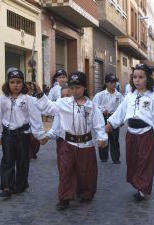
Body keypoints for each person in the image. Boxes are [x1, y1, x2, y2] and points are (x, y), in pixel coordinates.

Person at [34, 71, 108, 210]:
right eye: (72, 88)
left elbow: (99, 125)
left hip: (86, 144)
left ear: (84, 87)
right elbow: (48, 107)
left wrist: (102, 138)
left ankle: (86, 193)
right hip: (68, 143)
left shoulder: (92, 107)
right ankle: (65, 197)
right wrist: (39, 94)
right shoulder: (63, 103)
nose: (74, 91)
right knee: (66, 170)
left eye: (78, 87)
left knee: (86, 171)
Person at [106, 63, 154, 202]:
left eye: (141, 77)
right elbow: (120, 111)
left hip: (145, 133)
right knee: (132, 160)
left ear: (147, 79)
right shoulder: (129, 96)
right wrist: (111, 123)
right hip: (131, 133)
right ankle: (137, 183)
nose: (137, 80)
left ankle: (142, 188)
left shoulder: (153, 97)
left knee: (145, 161)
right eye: (135, 77)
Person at [0, 68, 46, 198]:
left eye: (18, 82)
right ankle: (7, 187)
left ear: (23, 84)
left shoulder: (28, 100)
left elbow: (34, 118)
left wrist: (39, 134)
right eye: (12, 82)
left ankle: (21, 185)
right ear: (7, 83)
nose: (15, 85)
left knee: (22, 160)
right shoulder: (1, 99)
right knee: (7, 160)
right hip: (7, 135)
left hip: (23, 134)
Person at [93, 74, 124, 164]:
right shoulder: (100, 95)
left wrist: (121, 120)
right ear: (106, 83)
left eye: (115, 82)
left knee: (114, 139)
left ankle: (116, 158)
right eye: (111, 82)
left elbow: (123, 108)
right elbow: (94, 106)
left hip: (114, 118)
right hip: (102, 118)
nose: (113, 84)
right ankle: (103, 157)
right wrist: (102, 110)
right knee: (103, 137)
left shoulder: (119, 96)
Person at [25, 81, 41, 160]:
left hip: (35, 124)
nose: (29, 90)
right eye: (28, 89)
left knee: (35, 142)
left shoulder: (35, 100)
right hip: (26, 126)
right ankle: (29, 154)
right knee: (28, 141)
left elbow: (38, 113)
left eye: (31, 89)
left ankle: (33, 152)